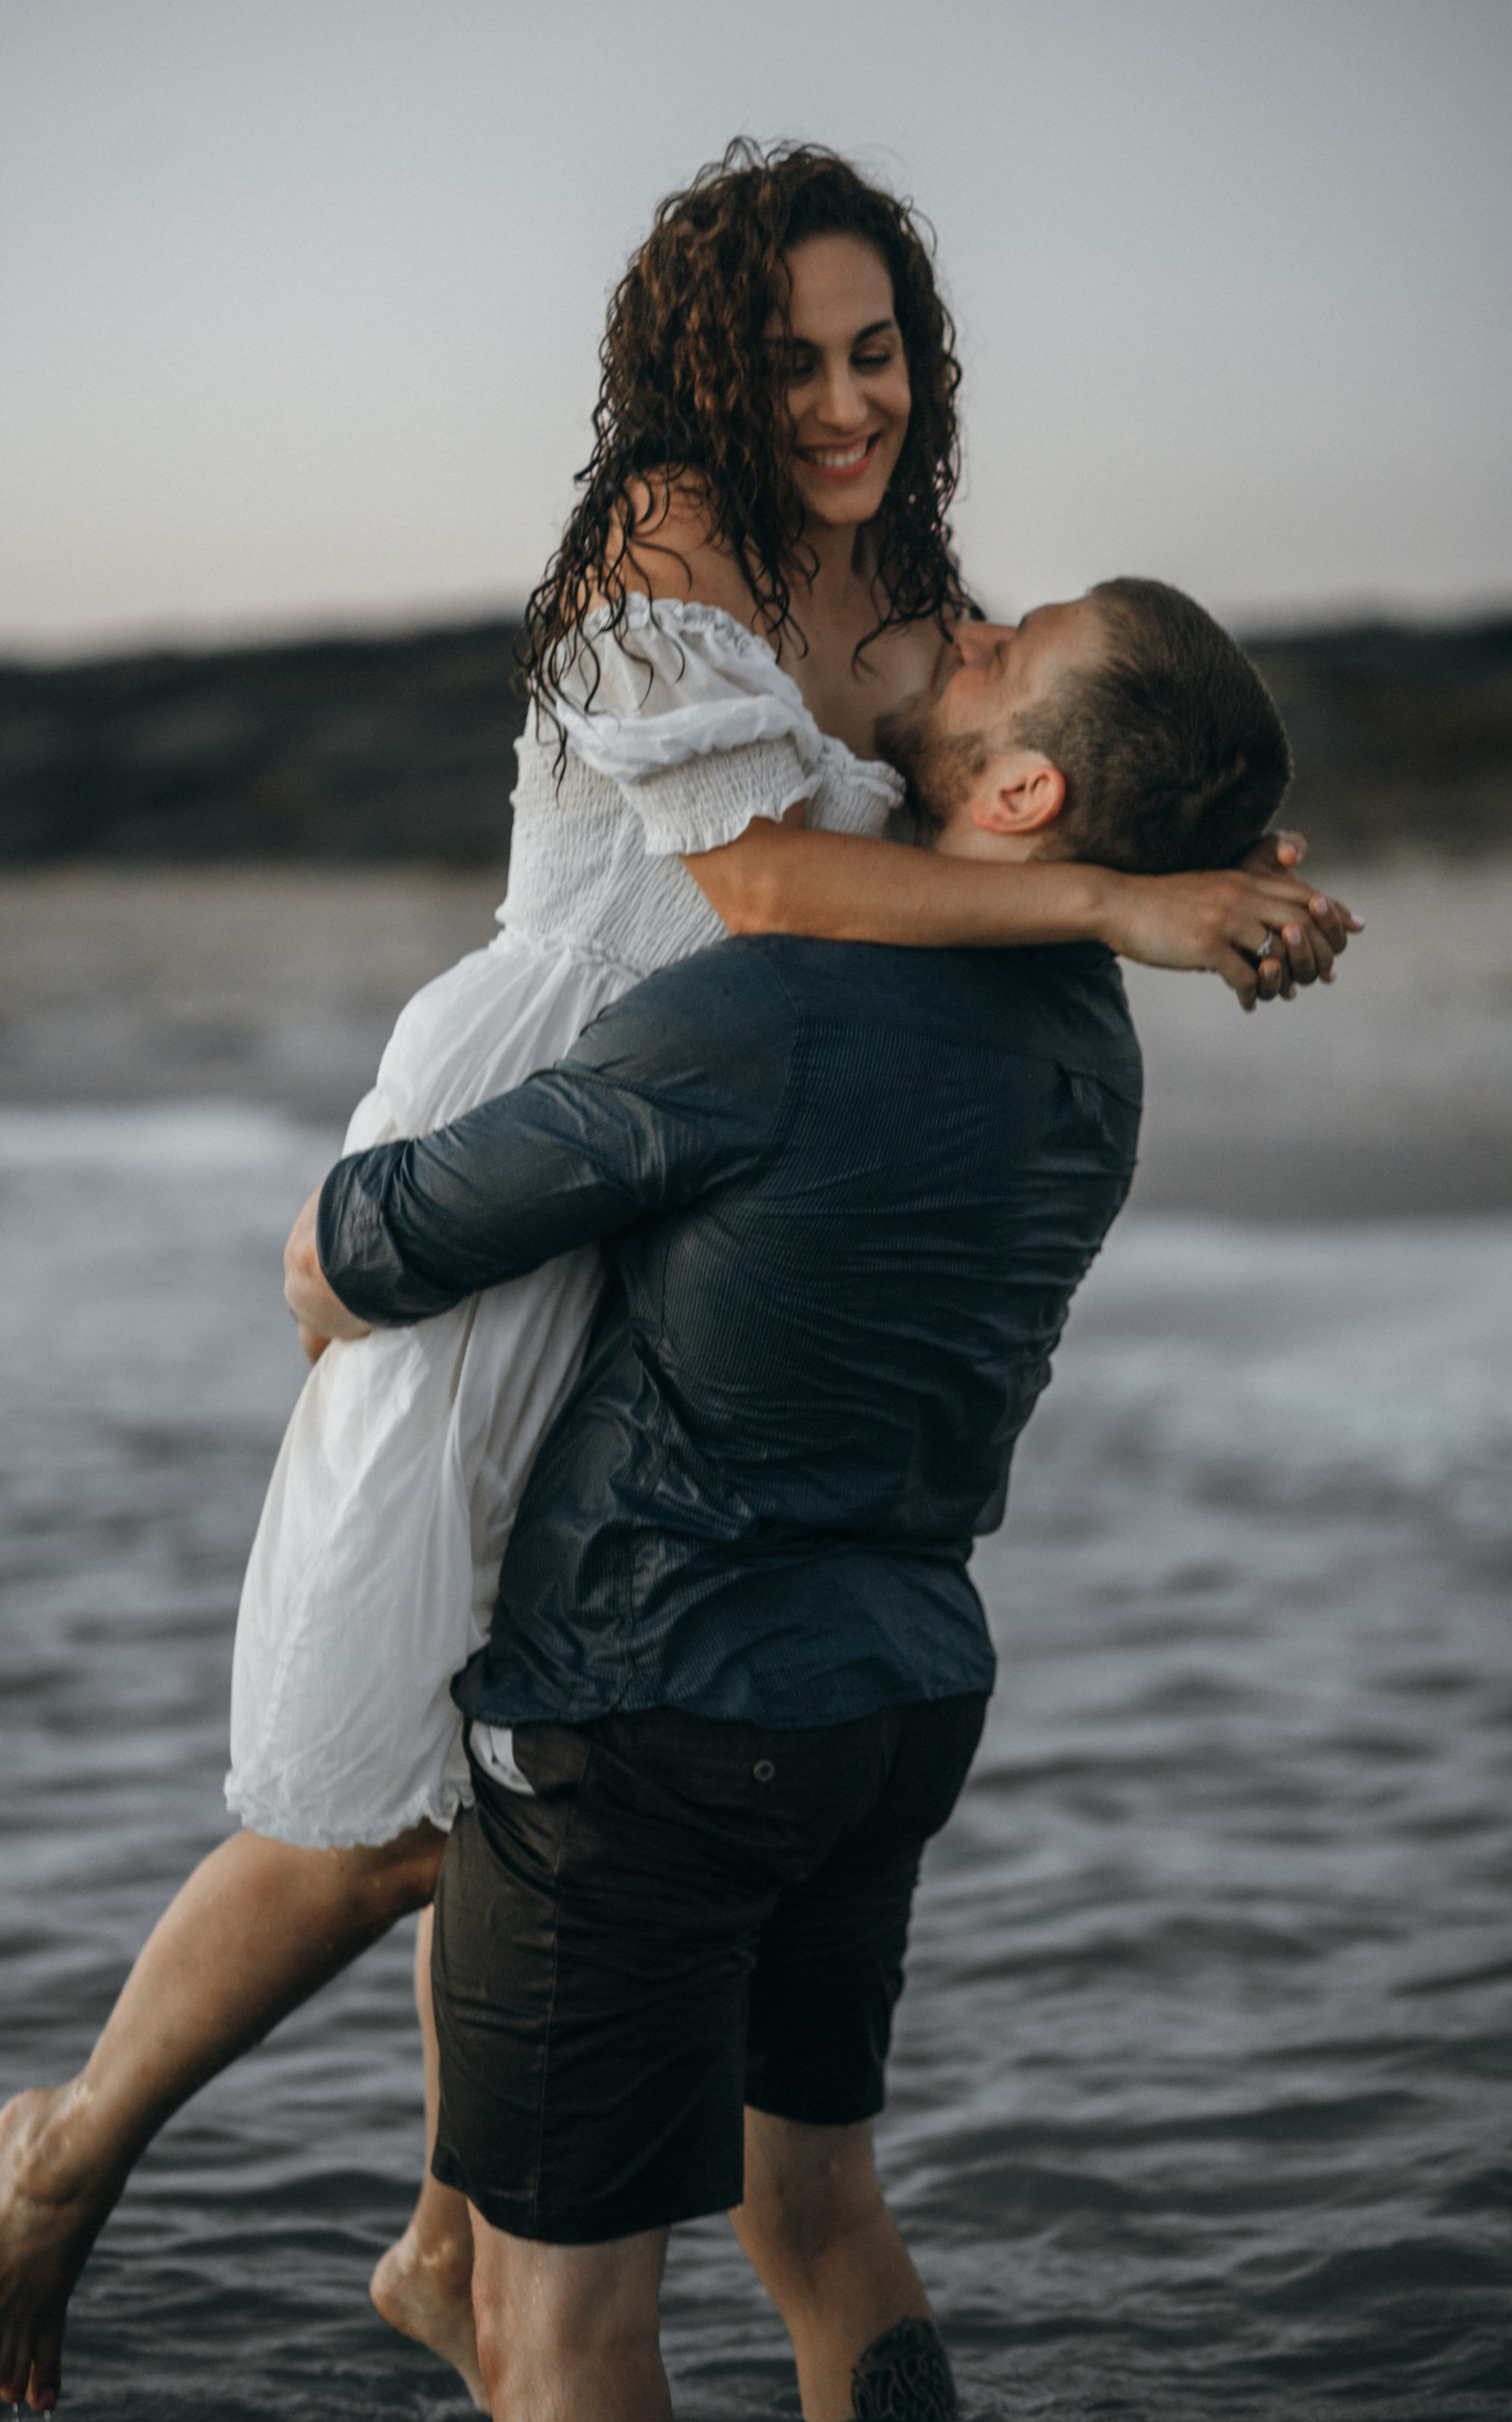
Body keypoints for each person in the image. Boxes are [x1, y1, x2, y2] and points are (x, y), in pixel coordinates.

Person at [0, 143, 1353, 2417]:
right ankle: (77, 2153)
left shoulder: (913, 583)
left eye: (874, 349)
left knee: (520, 1728)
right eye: (790, 355)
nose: (839, 400)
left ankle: (444, 2247)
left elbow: (1020, 777)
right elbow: (784, 882)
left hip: (730, 1163)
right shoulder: (661, 547)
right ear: (705, 364)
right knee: (396, 1798)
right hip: (581, 1091)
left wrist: (1194, 848)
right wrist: (1121, 913)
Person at [287, 573, 1296, 2421]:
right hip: (896, 1705)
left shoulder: (780, 1009)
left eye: (1003, 655)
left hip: (648, 1716)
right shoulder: (1093, 1042)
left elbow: (408, 1230)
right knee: (828, 2231)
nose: (963, 628)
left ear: (1024, 797)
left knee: (559, 2325)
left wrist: (331, 1232)